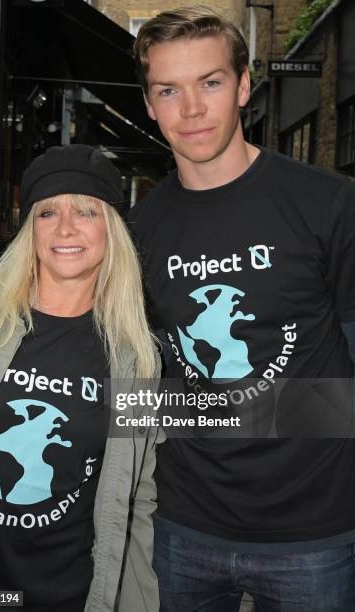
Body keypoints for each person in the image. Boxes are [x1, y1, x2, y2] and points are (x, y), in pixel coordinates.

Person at [129, 6, 355, 611]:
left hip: (314, 535)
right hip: (182, 527)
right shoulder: (138, 232)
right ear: (150, 105)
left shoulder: (327, 203)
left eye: (210, 82)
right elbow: (143, 382)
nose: (192, 109)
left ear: (245, 86)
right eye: (168, 90)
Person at [0, 145, 162, 612]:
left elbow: (137, 497)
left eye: (86, 210)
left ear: (111, 229)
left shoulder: (136, 356)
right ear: (30, 229)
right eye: (48, 212)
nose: (66, 227)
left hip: (65, 595)